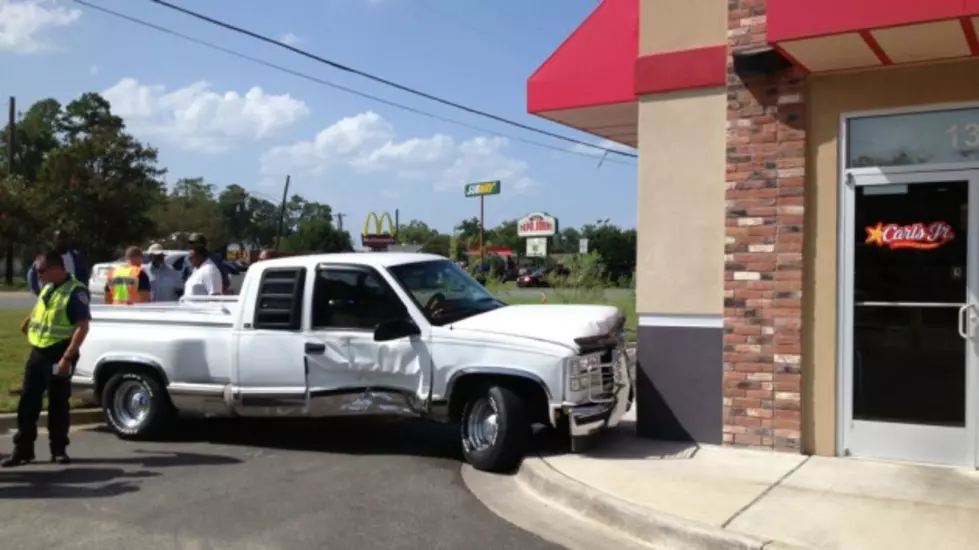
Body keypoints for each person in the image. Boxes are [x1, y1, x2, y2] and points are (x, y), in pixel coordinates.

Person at [4, 251, 92, 467]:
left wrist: (66, 359)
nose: (38, 275)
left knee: (58, 403)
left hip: (59, 352)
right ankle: (23, 450)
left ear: (56, 268)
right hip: (39, 351)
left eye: (41, 271)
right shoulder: (47, 287)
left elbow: (82, 327)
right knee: (28, 402)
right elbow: (40, 310)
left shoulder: (75, 291)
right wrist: (28, 321)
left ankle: (59, 449)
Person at [26, 229, 88, 295]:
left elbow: (83, 274)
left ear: (68, 240)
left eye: (63, 239)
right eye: (58, 239)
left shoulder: (76, 257)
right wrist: (38, 292)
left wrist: (83, 289)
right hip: (52, 294)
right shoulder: (47, 256)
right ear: (54, 240)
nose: (61, 241)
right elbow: (32, 273)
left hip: (72, 294)